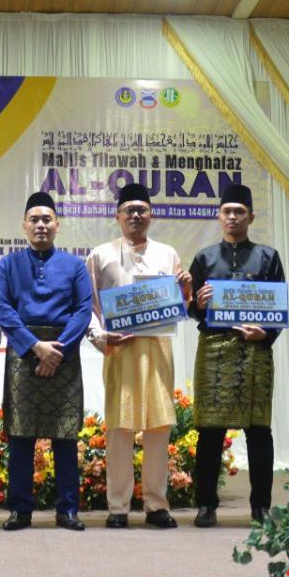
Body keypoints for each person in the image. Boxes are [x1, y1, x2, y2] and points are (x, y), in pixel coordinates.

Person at [86, 183, 193, 529]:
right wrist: (102, 337)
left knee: (158, 427)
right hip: (120, 351)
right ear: (117, 216)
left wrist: (186, 289)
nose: (135, 215)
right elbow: (88, 307)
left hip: (158, 350)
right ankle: (118, 507)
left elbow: (180, 306)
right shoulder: (99, 256)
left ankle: (156, 505)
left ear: (152, 215)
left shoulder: (168, 254)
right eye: (129, 210)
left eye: (141, 210)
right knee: (119, 428)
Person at [0, 192, 94, 532]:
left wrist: (57, 351)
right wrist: (36, 347)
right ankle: (20, 510)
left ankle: (68, 510)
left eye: (46, 219)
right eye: (34, 219)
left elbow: (83, 310)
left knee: (65, 436)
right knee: (21, 436)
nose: (40, 225)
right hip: (25, 354)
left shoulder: (75, 266)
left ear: (57, 225)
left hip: (64, 353)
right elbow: (2, 308)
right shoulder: (8, 265)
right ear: (24, 226)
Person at [188, 183, 285, 526]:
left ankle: (261, 506)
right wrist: (198, 305)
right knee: (210, 431)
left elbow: (278, 307)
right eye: (227, 212)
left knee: (258, 431)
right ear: (219, 216)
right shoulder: (204, 258)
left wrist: (266, 333)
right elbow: (192, 308)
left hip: (254, 350)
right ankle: (206, 504)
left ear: (250, 217)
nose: (233, 217)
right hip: (214, 350)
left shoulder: (268, 257)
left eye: (239, 212)